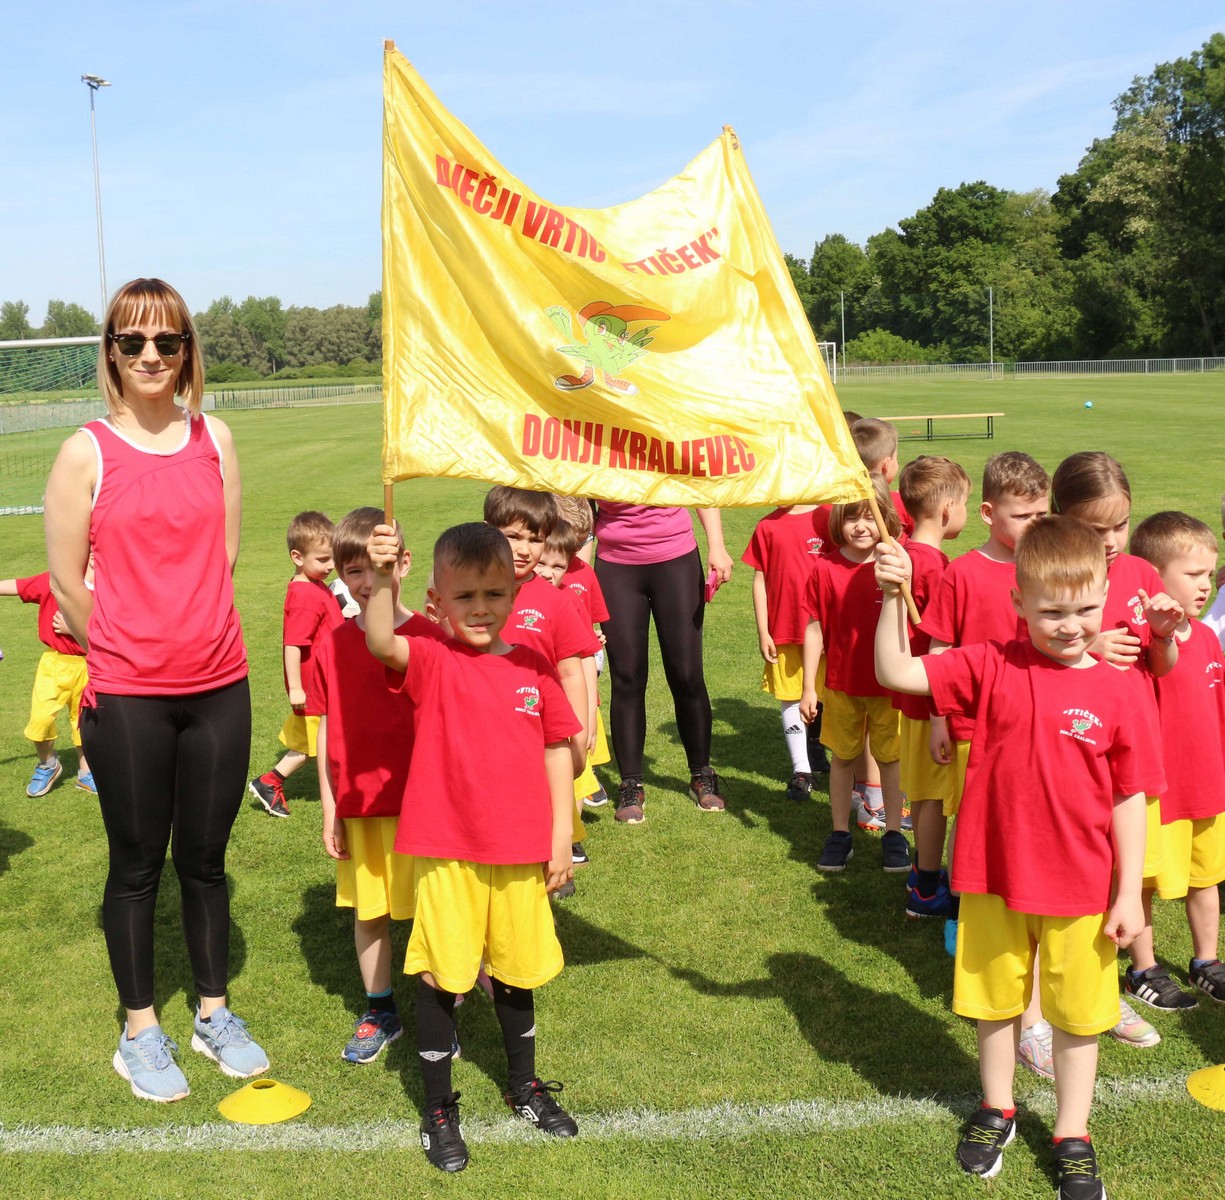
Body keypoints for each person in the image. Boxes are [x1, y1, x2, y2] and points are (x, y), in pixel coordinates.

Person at [875, 516, 1163, 1200]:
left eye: (1085, 608)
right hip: (991, 878)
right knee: (995, 1007)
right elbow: (894, 670)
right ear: (1017, 604)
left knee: (1075, 1015)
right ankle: (996, 1108)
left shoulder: (1121, 688)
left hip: (1082, 889)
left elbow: (1128, 798)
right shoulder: (988, 662)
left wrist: (1127, 894)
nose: (1070, 625)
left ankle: (1072, 1132)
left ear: (1105, 593)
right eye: (1051, 612)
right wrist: (891, 595)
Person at [44, 277, 267, 1103]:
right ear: (110, 351)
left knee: (206, 863)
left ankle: (214, 1013)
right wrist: (126, 648)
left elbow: (226, 558)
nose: (149, 356)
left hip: (220, 684)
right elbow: (68, 584)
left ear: (186, 353)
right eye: (132, 341)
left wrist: (191, 634)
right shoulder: (85, 451)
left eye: (166, 342)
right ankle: (139, 1029)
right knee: (137, 867)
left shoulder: (217, 438)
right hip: (127, 695)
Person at [365, 521, 581, 1173]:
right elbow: (380, 639)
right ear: (435, 603)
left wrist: (561, 835)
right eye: (464, 597)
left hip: (520, 852)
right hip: (448, 853)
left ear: (514, 592)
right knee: (443, 976)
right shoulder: (430, 656)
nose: (480, 607)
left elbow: (555, 749)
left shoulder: (533, 665)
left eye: (493, 593)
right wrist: (380, 580)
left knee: (515, 972)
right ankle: (438, 1110)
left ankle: (524, 1087)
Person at [308, 508, 447, 1063]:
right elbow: (326, 731)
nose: (366, 582)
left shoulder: (432, 638)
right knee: (372, 912)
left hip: (425, 804)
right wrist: (329, 806)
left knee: (436, 909)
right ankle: (381, 1009)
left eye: (377, 567)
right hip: (361, 806)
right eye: (352, 571)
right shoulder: (332, 644)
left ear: (403, 564)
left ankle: (441, 1009)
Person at [1051, 452, 1186, 1016]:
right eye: (1094, 527)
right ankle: (1078, 966)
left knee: (1136, 862)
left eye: (1120, 526)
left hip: (1132, 750)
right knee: (1083, 861)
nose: (1110, 540)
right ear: (1061, 517)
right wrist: (1088, 647)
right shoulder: (1053, 574)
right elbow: (1024, 658)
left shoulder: (1140, 575)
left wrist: (1162, 635)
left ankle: (1143, 965)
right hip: (1073, 754)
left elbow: (1165, 667)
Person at [921, 451, 1048, 958]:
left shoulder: (1051, 569)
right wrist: (937, 720)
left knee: (1025, 820)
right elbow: (938, 652)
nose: (1035, 524)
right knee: (972, 821)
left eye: (1042, 514)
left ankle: (1021, 903)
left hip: (1035, 725)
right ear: (990, 514)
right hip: (974, 726)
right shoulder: (963, 574)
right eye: (1023, 516)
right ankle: (960, 905)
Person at [1131, 511, 1225, 1002]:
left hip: (1208, 788)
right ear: (1153, 577)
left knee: (1205, 878)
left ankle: (1206, 960)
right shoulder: (1147, 643)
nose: (1205, 585)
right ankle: (1144, 969)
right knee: (1145, 881)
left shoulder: (1209, 636)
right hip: (1158, 793)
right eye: (1193, 574)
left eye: (1210, 573)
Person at [593, 500, 734, 822]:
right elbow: (580, 503)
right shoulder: (596, 447)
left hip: (676, 559)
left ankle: (701, 775)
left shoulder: (670, 444)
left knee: (686, 674)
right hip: (615, 564)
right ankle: (631, 784)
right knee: (626, 676)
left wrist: (717, 545)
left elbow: (699, 484)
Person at [799, 474, 909, 873]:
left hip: (890, 684)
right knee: (843, 758)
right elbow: (814, 627)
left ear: (886, 518)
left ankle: (894, 833)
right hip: (842, 684)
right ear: (837, 522)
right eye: (852, 518)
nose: (861, 526)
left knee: (891, 759)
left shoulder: (898, 561)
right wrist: (808, 686)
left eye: (870, 516)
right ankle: (840, 832)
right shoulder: (823, 568)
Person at [891, 456, 971, 919]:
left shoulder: (903, 553)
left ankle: (922, 873)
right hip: (931, 702)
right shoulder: (937, 567)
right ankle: (925, 886)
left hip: (911, 697)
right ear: (945, 510)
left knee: (922, 792)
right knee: (936, 800)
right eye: (962, 503)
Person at [250, 510, 344, 817]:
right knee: (311, 744)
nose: (331, 566)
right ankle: (270, 781)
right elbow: (293, 644)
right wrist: (296, 688)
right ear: (297, 556)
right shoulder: (305, 594)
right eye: (323, 559)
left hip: (325, 682)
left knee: (323, 740)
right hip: (314, 687)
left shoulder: (313, 586)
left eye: (333, 558)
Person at [742, 499, 830, 803]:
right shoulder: (767, 525)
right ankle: (801, 769)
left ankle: (843, 762)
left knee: (832, 698)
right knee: (791, 696)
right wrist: (763, 630)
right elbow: (759, 580)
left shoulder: (828, 517)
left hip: (827, 633)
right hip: (785, 630)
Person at [535, 518, 609, 872]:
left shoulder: (568, 603)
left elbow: (584, 662)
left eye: (558, 566)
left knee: (574, 779)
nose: (549, 573)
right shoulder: (512, 598)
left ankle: (569, 843)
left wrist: (590, 716)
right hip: (530, 711)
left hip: (568, 710)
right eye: (542, 563)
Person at [1, 565, 95, 795]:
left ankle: (86, 773)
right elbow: (19, 586)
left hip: (90, 664)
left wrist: (73, 628)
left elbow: (114, 627)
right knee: (40, 720)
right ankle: (48, 764)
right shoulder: (56, 581)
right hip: (54, 665)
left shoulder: (110, 587)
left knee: (83, 724)